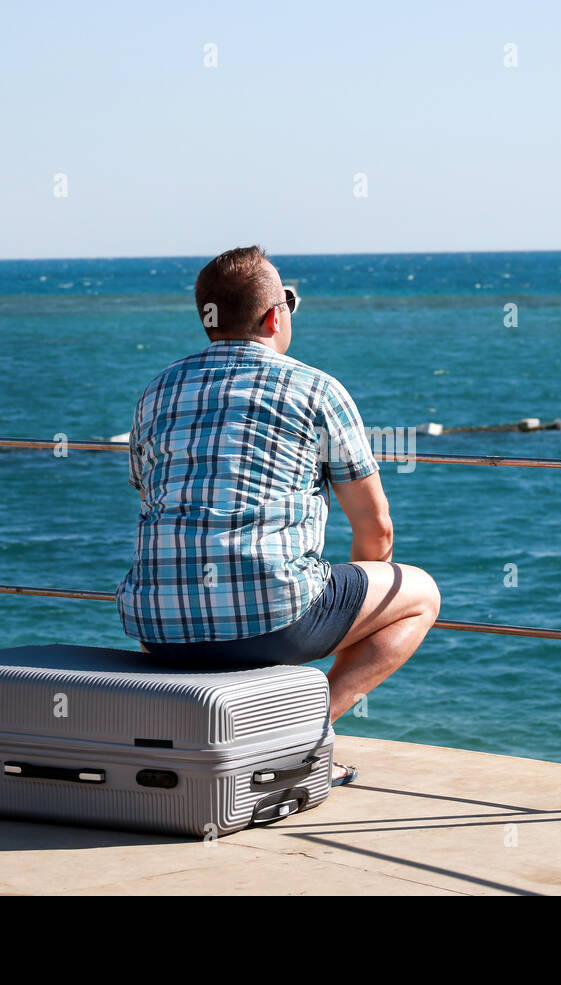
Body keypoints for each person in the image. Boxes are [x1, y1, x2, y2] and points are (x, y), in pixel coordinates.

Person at [116, 245, 441, 786]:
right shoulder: (317, 390)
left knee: (277, 589)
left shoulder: (156, 392)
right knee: (419, 594)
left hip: (159, 627)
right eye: (289, 299)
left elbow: (155, 498)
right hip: (272, 625)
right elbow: (375, 528)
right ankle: (307, 727)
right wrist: (354, 607)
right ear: (274, 315)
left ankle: (270, 722)